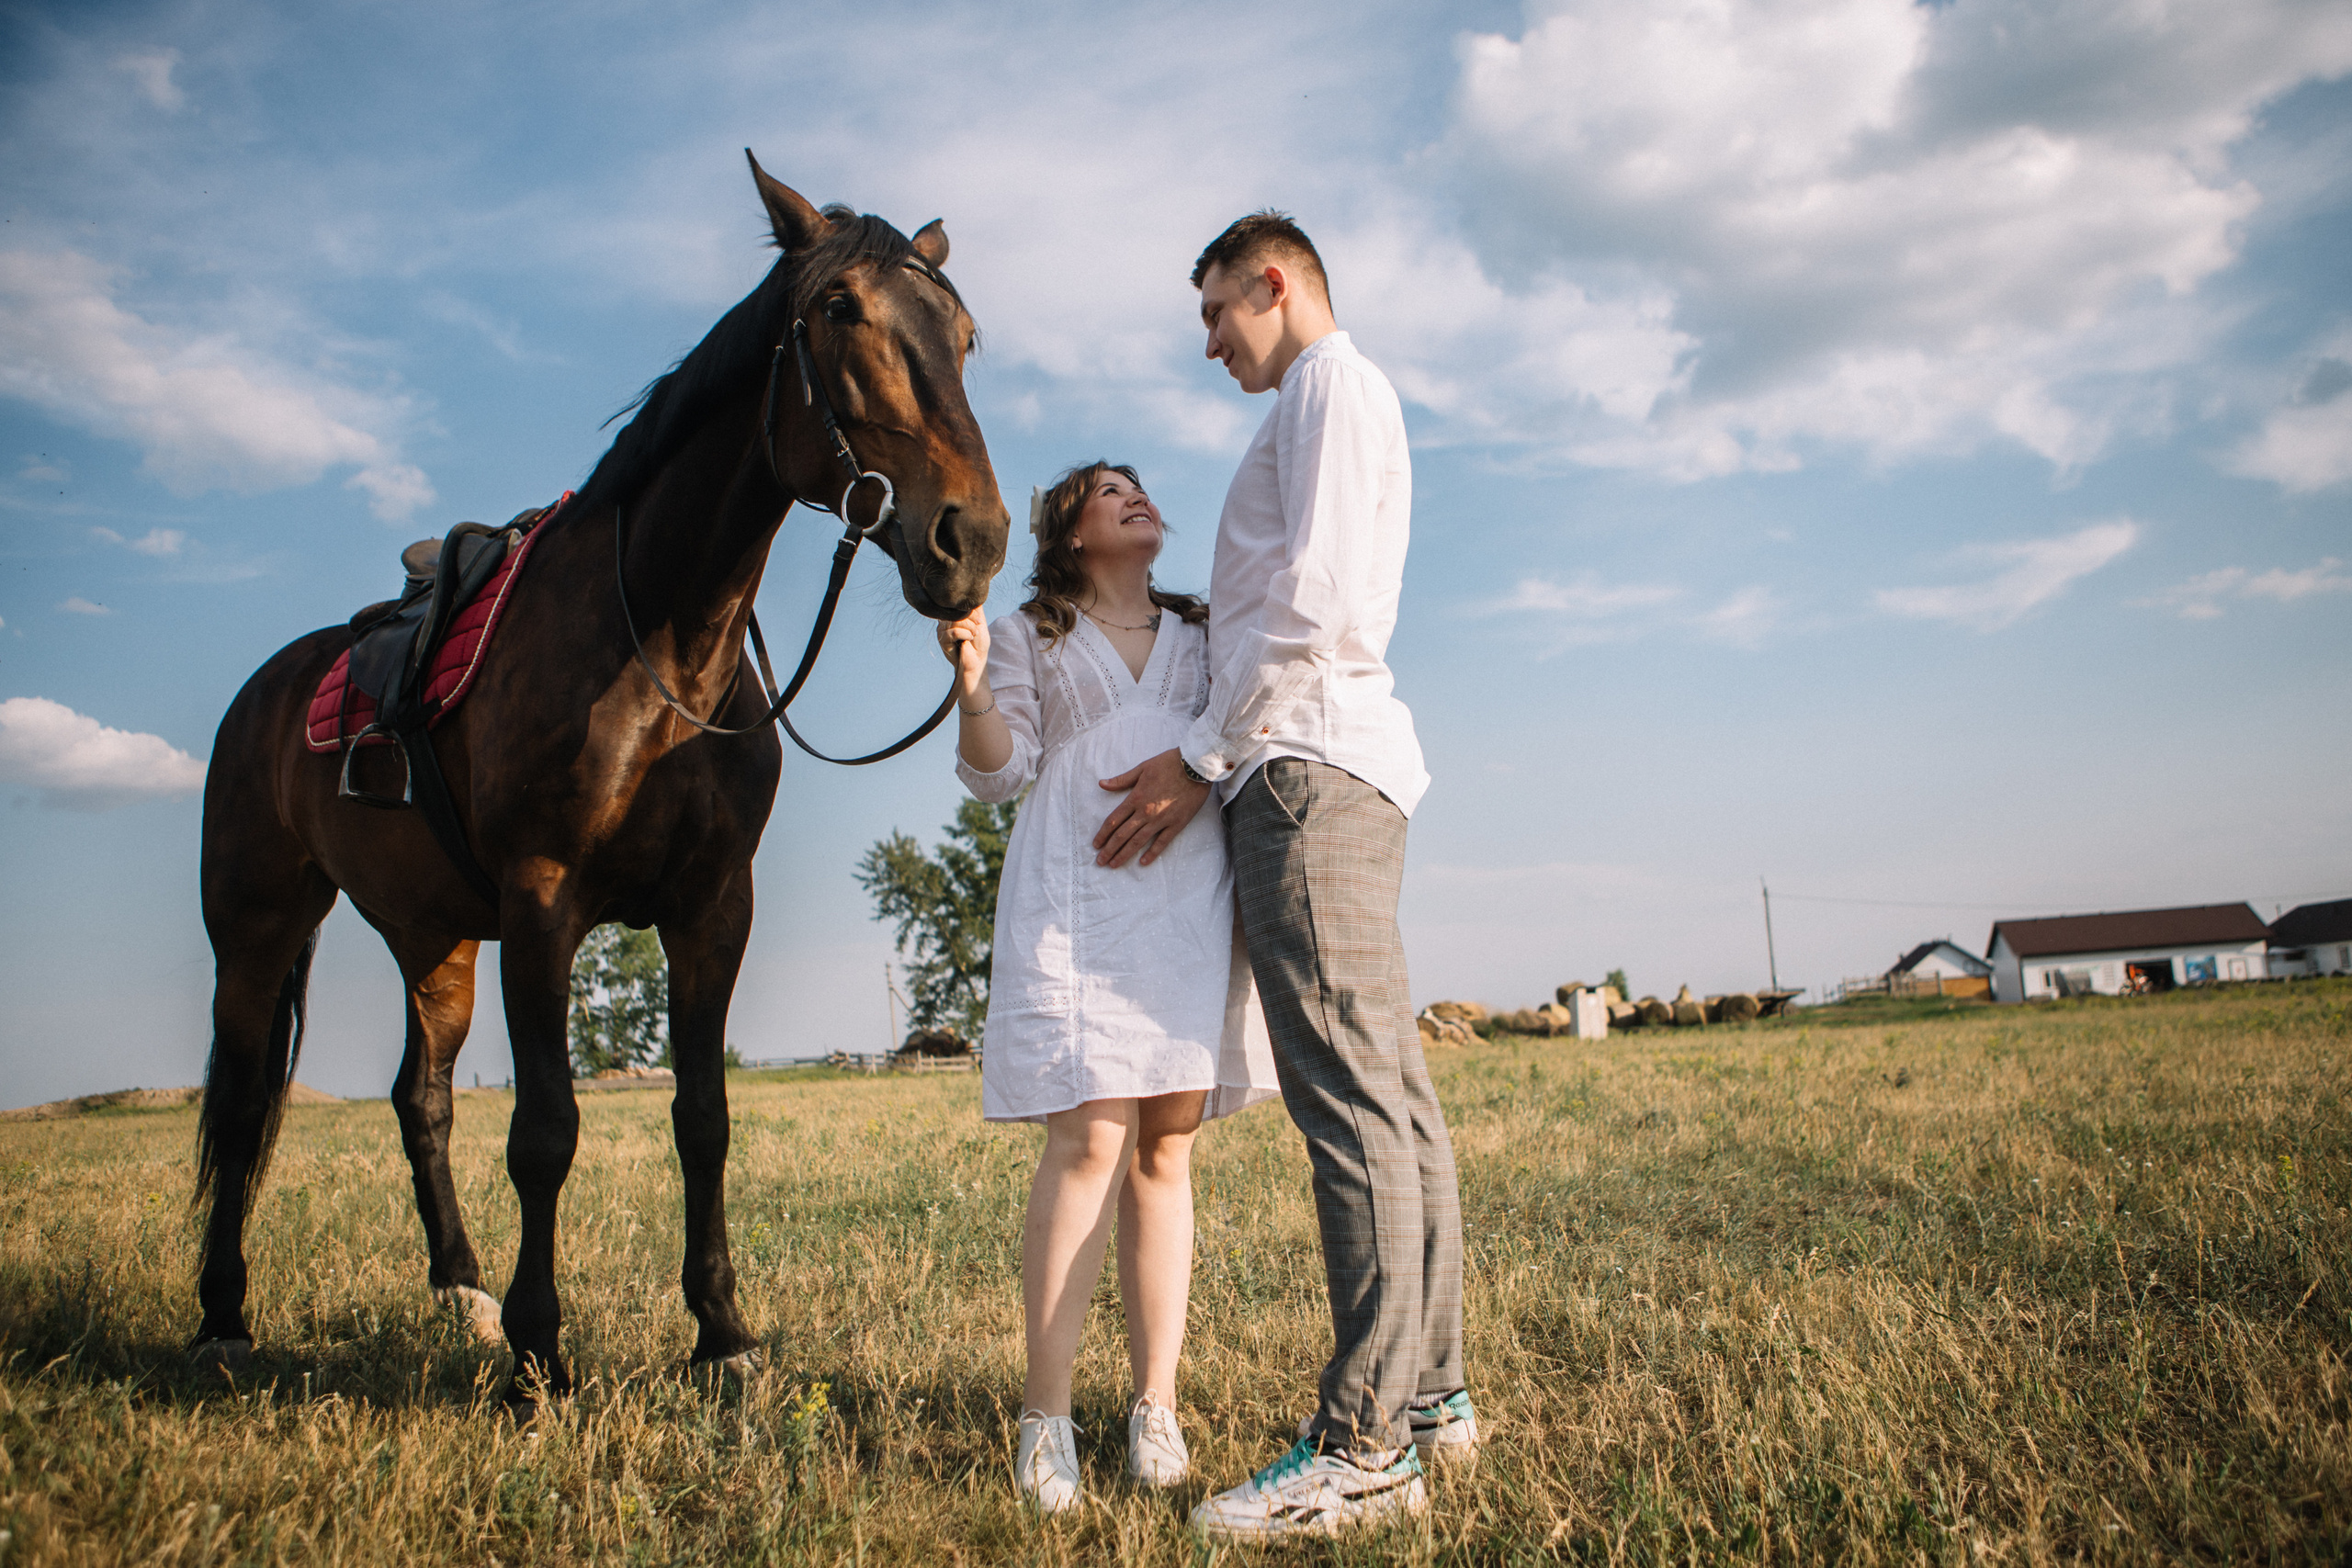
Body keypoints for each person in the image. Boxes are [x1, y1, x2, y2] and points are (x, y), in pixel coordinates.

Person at [1090, 212, 1476, 1541]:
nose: (1210, 345)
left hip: (1303, 771)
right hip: (1332, 762)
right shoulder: (1332, 396)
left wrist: (1200, 755)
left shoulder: (1324, 386)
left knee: (1353, 1113)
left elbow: (1305, 601)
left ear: (1274, 281)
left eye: (1215, 315)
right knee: (1396, 1097)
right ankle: (1430, 1397)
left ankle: (1366, 1444)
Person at [939, 461, 1278, 1516]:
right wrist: (973, 684)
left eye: (1140, 487)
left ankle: (1153, 1407)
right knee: (1090, 1139)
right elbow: (999, 772)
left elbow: (1253, 722)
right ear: (1069, 533)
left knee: (1167, 1144)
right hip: (1076, 895)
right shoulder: (1037, 630)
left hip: (1189, 892)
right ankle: (1044, 1417)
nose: (1136, 496)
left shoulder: (1207, 625)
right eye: (1107, 490)